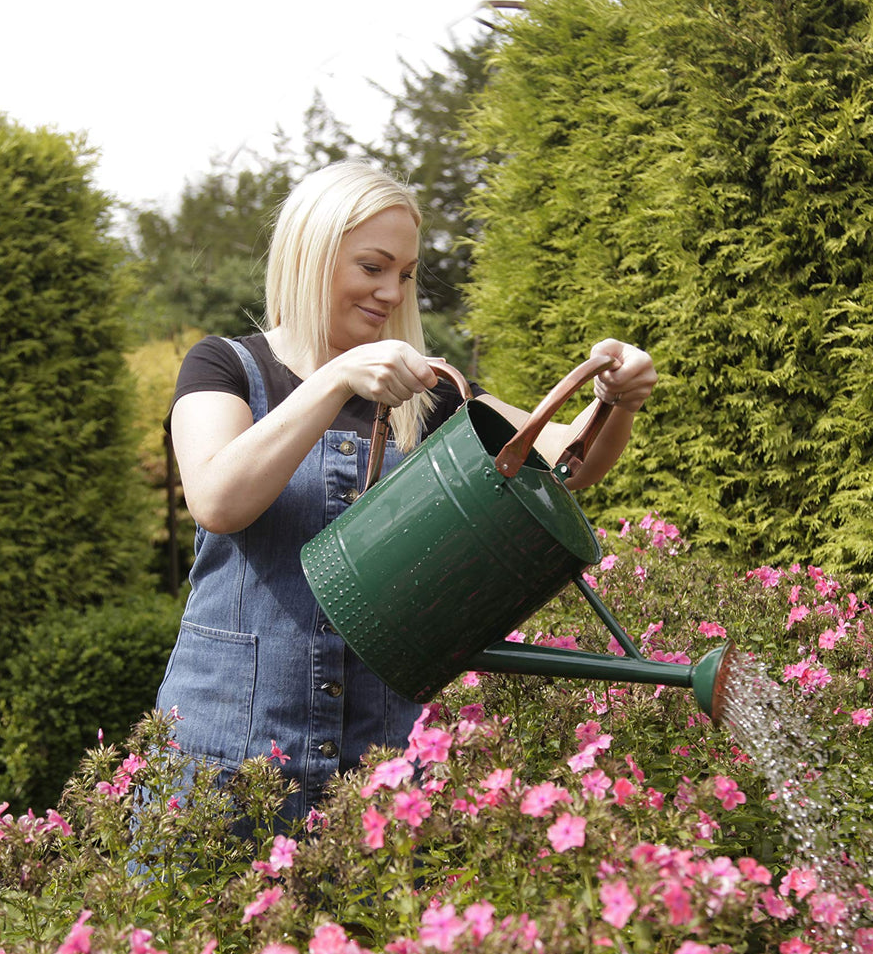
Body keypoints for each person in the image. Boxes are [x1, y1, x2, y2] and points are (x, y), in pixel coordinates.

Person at [154, 160, 657, 829]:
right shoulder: (225, 366)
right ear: (311, 255)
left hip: (378, 761)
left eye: (406, 272)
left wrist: (612, 400)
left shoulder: (430, 392)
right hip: (227, 750)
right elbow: (218, 499)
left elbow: (565, 464)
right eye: (372, 266)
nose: (392, 291)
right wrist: (333, 381)